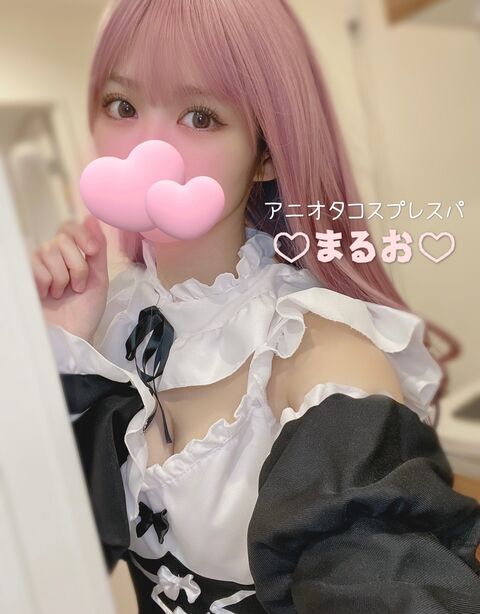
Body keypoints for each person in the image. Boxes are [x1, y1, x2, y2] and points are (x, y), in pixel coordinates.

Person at [30, 0, 480, 612]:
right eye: (123, 106)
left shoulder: (318, 355)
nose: (147, 147)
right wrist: (59, 354)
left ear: (265, 154)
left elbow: (381, 575)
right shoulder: (107, 321)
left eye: (200, 116)